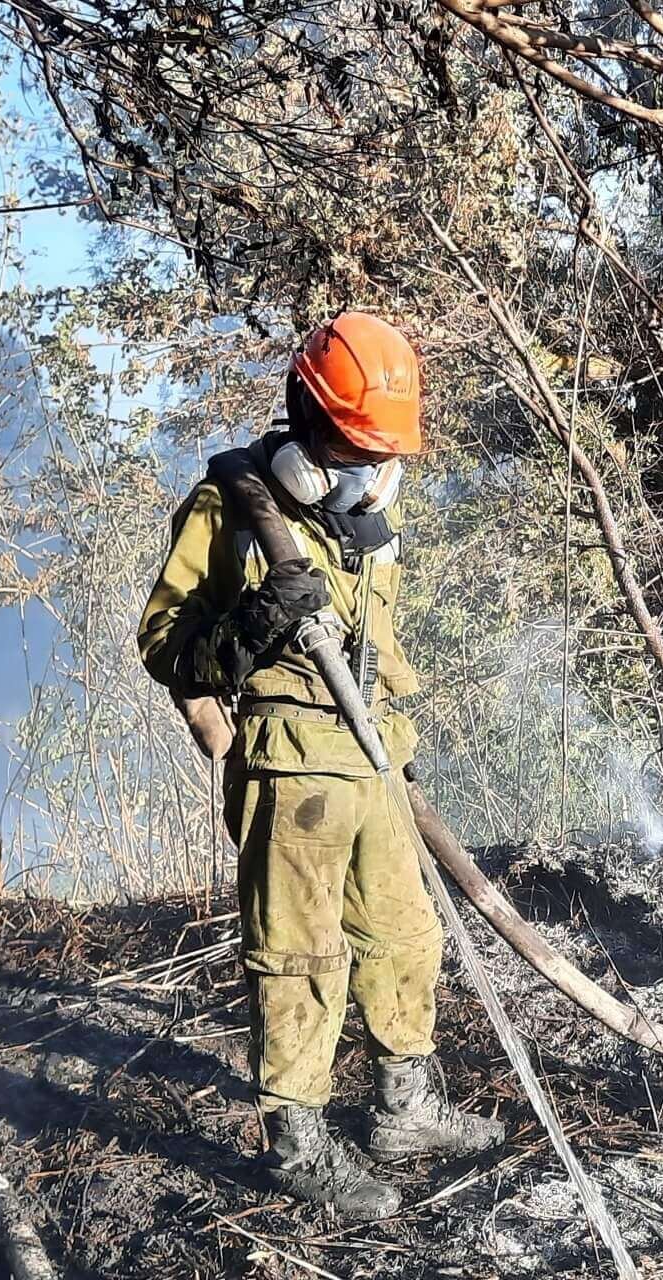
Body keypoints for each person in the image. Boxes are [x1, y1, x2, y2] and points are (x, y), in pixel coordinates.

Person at [137, 312, 503, 1219]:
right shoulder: (230, 508)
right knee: (299, 956)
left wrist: (401, 746)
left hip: (374, 755)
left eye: (380, 449)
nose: (368, 466)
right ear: (306, 420)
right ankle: (294, 1142)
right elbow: (164, 645)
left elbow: (382, 636)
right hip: (287, 764)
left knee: (405, 934)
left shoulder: (375, 505)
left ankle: (404, 1108)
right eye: (351, 443)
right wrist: (255, 621)